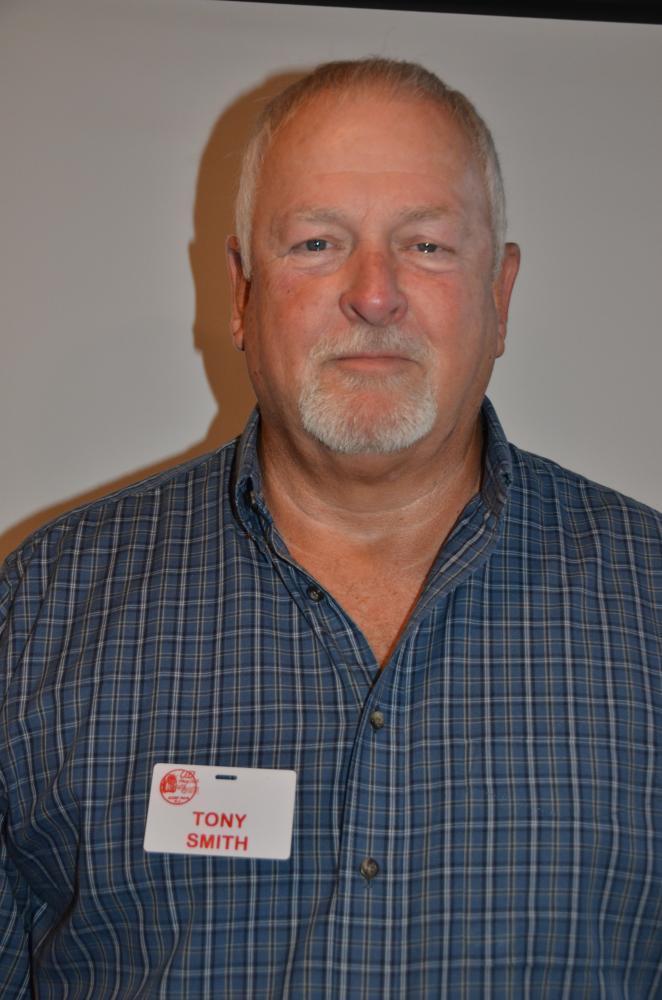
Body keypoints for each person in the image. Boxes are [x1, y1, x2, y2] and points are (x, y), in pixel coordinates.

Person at [0, 57, 660, 999]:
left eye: (427, 245)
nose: (374, 292)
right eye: (317, 243)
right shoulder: (39, 612)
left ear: (500, 295)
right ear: (240, 293)